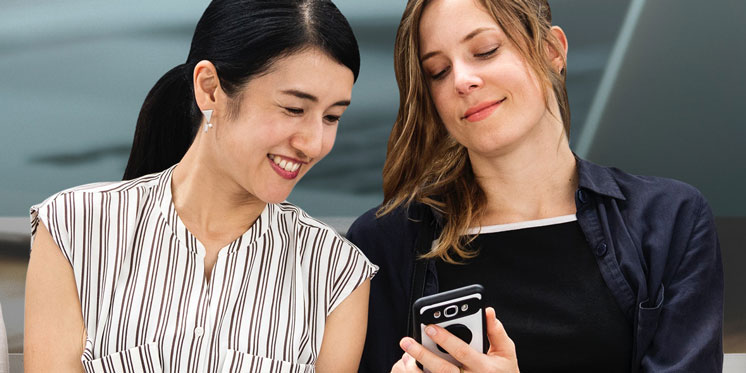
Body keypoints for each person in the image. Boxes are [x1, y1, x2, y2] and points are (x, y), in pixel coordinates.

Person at [346, 0, 723, 372]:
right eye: (438, 71)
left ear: (552, 50)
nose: (461, 80)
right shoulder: (384, 243)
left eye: (485, 51)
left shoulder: (671, 219)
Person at [25, 0, 377, 371]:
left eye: (332, 116)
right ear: (210, 89)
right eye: (293, 108)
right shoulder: (74, 226)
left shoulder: (338, 272)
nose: (314, 142)